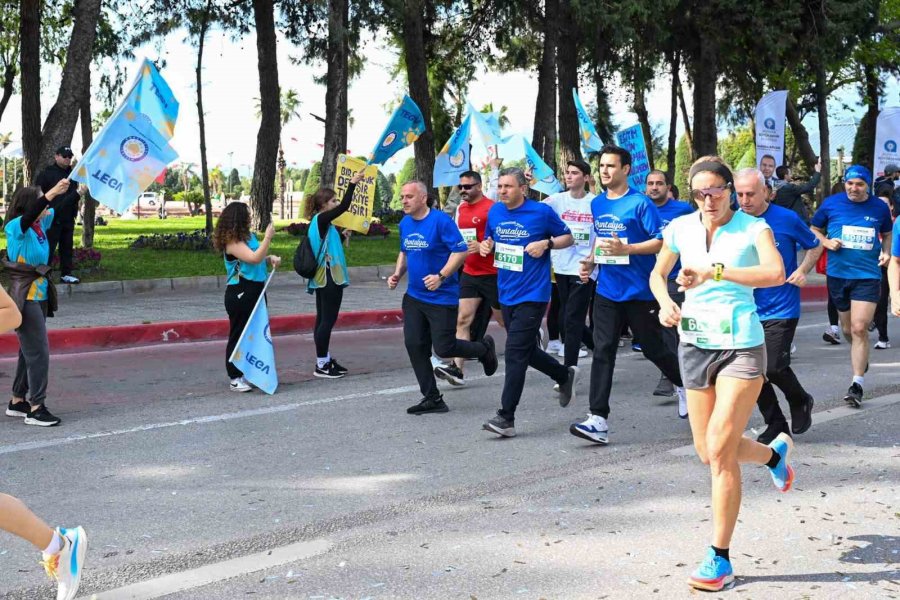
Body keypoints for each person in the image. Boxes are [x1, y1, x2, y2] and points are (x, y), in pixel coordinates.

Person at [650, 156, 793, 592]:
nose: (708, 200)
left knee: (719, 448)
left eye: (715, 191)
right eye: (699, 192)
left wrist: (715, 271)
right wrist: (665, 304)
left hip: (741, 346)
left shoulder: (752, 228)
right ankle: (773, 455)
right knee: (708, 451)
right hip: (694, 344)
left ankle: (720, 556)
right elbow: (659, 274)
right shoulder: (680, 228)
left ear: (730, 190)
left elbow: (776, 273)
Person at [570, 145, 687, 446]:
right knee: (603, 349)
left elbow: (661, 242)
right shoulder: (597, 204)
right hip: (608, 290)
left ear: (625, 170)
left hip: (640, 291)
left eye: (611, 166)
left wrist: (629, 249)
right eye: (602, 167)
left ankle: (686, 384)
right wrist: (590, 263)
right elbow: (601, 239)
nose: (605, 171)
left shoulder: (640, 204)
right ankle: (598, 419)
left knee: (653, 349)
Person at [480, 168, 578, 437]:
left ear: (523, 188)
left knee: (514, 352)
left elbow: (568, 237)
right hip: (506, 292)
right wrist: (486, 245)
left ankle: (506, 417)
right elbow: (490, 240)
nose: (502, 191)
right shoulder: (496, 212)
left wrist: (546, 244)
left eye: (508, 187)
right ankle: (563, 375)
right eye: (500, 186)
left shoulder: (541, 212)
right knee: (524, 350)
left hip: (534, 294)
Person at [388, 181, 498, 415]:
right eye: (402, 196)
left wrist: (441, 276)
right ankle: (432, 397)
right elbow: (405, 251)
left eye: (409, 196)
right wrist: (398, 273)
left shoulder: (441, 221)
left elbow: (459, 250)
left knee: (444, 347)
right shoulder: (405, 223)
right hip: (415, 296)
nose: (404, 201)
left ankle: (483, 349)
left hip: (442, 297)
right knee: (415, 345)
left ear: (423, 198)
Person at [735, 168, 822, 444]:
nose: (745, 200)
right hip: (745, 308)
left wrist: (804, 269)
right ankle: (775, 423)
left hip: (781, 307)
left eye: (751, 194)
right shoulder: (733, 222)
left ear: (767, 193)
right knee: (750, 371)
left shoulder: (786, 218)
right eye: (739, 194)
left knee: (772, 367)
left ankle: (800, 399)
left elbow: (814, 244)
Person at [810, 165, 892, 408]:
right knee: (847, 328)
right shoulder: (831, 204)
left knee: (859, 328)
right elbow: (814, 229)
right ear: (844, 183)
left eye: (859, 184)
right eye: (850, 183)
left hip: (867, 275)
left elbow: (887, 233)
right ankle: (861, 353)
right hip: (838, 275)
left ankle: (857, 384)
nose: (854, 188)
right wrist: (826, 241)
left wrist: (886, 253)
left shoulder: (878, 207)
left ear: (867, 186)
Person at [3, 181, 73, 426]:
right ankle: (36, 408)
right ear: (29, 204)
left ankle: (17, 400)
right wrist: (52, 192)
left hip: (40, 295)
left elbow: (59, 204)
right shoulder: (16, 227)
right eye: (42, 199)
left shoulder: (39, 225)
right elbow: (39, 207)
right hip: (26, 297)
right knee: (39, 352)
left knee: (28, 350)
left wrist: (78, 189)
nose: (47, 203)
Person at [431, 169, 504, 386]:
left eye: (467, 186)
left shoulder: (493, 208)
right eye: (460, 186)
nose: (463, 190)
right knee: (462, 319)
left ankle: (532, 339)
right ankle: (457, 370)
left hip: (494, 273)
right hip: (471, 272)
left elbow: (505, 240)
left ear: (479, 186)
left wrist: (486, 247)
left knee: (503, 321)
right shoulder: (461, 209)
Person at [213, 203, 281, 392]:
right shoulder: (232, 242)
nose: (250, 217)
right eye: (247, 215)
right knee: (239, 332)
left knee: (255, 332)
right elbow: (253, 258)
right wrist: (268, 237)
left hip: (257, 288)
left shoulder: (248, 237)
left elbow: (256, 256)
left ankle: (249, 370)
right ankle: (234, 375)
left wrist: (269, 258)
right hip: (240, 291)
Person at [305, 169, 364, 378]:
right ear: (323, 205)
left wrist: (343, 235)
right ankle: (322, 364)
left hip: (325, 277)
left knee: (323, 319)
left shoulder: (324, 224)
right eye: (332, 201)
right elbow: (345, 206)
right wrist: (353, 183)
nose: (335, 204)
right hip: (329, 277)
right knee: (327, 320)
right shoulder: (321, 219)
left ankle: (325, 359)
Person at [645, 169, 695, 397]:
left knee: (672, 328)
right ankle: (677, 374)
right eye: (650, 183)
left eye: (659, 183)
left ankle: (672, 377)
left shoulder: (683, 210)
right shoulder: (641, 207)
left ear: (668, 187)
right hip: (648, 277)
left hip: (675, 278)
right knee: (655, 330)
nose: (654, 187)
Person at [544, 160, 596, 367]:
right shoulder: (556, 200)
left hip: (584, 267)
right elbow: (532, 211)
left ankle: (569, 370)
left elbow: (600, 234)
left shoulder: (595, 202)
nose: (568, 176)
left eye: (574, 173)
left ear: (585, 178)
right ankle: (600, 348)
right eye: (566, 172)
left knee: (572, 318)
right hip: (561, 266)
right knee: (568, 314)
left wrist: (592, 260)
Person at [36, 146, 82, 284]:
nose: (68, 159)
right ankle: (43, 275)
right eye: (64, 156)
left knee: (67, 246)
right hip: (51, 218)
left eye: (70, 156)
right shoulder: (47, 173)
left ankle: (66, 274)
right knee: (48, 247)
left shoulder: (73, 175)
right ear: (56, 156)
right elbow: (38, 193)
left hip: (68, 218)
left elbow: (75, 194)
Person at [871, 180, 895, 349]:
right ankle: (883, 337)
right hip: (879, 268)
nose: (882, 207)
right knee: (880, 302)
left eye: (885, 204)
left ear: (892, 207)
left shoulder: (897, 223)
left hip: (896, 267)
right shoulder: (871, 223)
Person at [772, 159, 822, 223]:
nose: (791, 175)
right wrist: (817, 171)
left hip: (785, 220)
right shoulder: (788, 188)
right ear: (785, 176)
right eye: (790, 173)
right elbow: (809, 186)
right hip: (795, 221)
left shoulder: (776, 187)